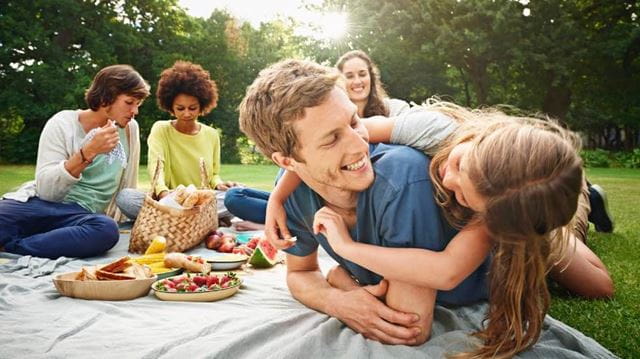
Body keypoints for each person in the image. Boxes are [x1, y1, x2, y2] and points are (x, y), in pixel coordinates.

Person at [265, 100, 614, 357]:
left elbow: (445, 271)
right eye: (459, 164)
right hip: (501, 199)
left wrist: (347, 250)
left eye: (462, 194)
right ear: (477, 139)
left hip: (525, 221)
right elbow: (339, 139)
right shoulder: (434, 131)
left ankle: (581, 205)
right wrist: (277, 197)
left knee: (595, 284)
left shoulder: (495, 212)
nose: (448, 177)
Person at [223, 50, 412, 225]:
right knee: (234, 197)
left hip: (369, 190)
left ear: (372, 77)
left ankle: (285, 223)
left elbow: (428, 126)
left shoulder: (392, 110)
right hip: (324, 187)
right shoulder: (320, 107)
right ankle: (286, 223)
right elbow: (299, 161)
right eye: (350, 75)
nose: (357, 81)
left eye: (362, 74)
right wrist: (277, 198)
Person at [0, 65, 149, 259]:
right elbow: (46, 191)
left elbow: (127, 184)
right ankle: (44, 240)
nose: (135, 110)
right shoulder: (62, 123)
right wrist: (88, 152)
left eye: (138, 104)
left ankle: (13, 247)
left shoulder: (130, 129)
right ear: (106, 98)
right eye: (129, 102)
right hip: (41, 205)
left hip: (82, 216)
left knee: (106, 230)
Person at [116, 61, 239, 220]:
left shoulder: (211, 134)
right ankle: (196, 219)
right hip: (170, 199)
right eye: (180, 108)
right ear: (171, 107)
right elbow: (156, 167)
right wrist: (163, 192)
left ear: (202, 106)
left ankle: (173, 219)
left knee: (237, 195)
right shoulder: (161, 129)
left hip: (202, 200)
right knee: (126, 197)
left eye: (192, 108)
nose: (186, 114)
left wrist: (220, 185)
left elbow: (213, 175)